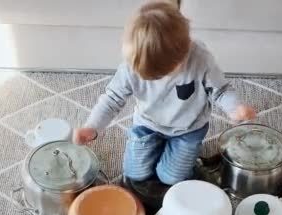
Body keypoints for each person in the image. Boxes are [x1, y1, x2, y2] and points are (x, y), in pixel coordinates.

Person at [74, 1, 256, 191]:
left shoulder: (200, 58)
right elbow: (112, 99)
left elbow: (221, 89)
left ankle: (194, 166)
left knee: (170, 178)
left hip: (188, 129)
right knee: (135, 174)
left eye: (161, 75)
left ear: (184, 52)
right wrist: (92, 127)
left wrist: (235, 108)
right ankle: (159, 150)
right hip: (147, 125)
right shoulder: (132, 64)